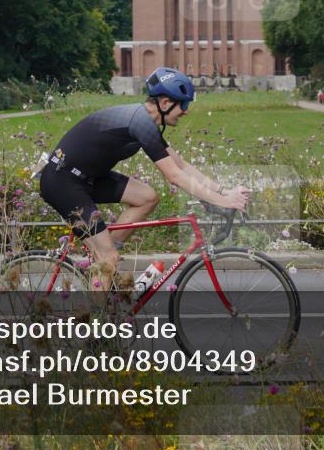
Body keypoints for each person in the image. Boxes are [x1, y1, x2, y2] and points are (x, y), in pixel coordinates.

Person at [38, 67, 250, 292]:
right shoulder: (140, 122)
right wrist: (222, 202)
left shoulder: (145, 122)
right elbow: (174, 176)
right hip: (62, 181)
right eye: (184, 105)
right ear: (166, 103)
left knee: (147, 197)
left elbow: (181, 164)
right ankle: (98, 319)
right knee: (107, 256)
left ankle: (104, 252)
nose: (186, 111)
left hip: (85, 178)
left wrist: (223, 191)